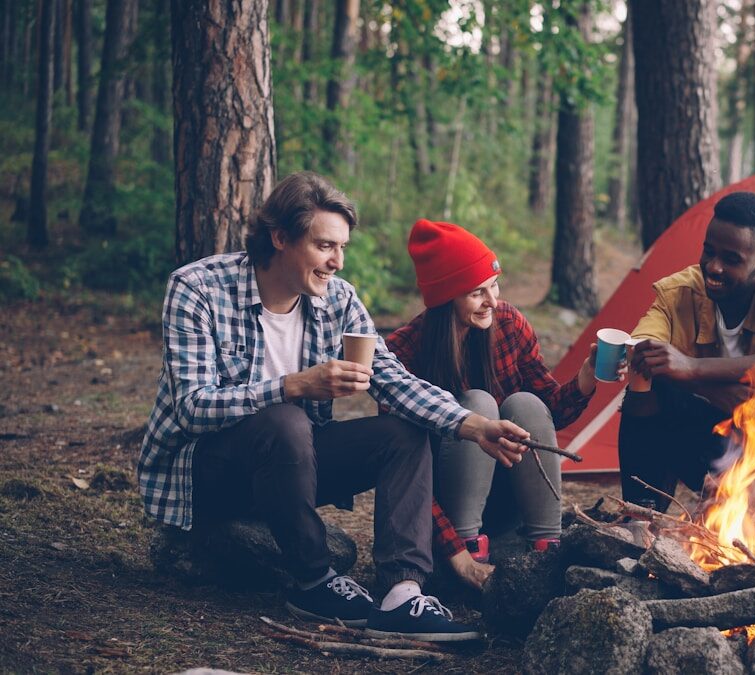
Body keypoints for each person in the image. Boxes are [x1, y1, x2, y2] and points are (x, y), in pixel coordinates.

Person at [138, 172, 530, 642]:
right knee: (285, 418)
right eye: (325, 246)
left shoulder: (337, 300)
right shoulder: (198, 288)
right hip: (209, 474)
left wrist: (472, 425)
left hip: (291, 469)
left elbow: (393, 381)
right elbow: (192, 408)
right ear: (280, 237)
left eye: (342, 248)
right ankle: (313, 580)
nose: (337, 262)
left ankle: (403, 594)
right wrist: (294, 385)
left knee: (402, 432)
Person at [386, 219, 607, 561]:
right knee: (478, 404)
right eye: (477, 293)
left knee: (526, 403)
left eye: (494, 285)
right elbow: (403, 471)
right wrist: (452, 548)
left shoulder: (508, 324)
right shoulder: (403, 352)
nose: (493, 300)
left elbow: (548, 415)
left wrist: (586, 378)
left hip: (506, 500)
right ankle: (469, 552)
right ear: (445, 299)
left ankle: (547, 547)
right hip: (441, 515)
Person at [620, 191, 755, 513]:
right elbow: (641, 353)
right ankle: (641, 515)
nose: (713, 267)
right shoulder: (678, 292)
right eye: (708, 251)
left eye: (731, 259)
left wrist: (693, 369)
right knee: (649, 384)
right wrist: (712, 391)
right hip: (707, 444)